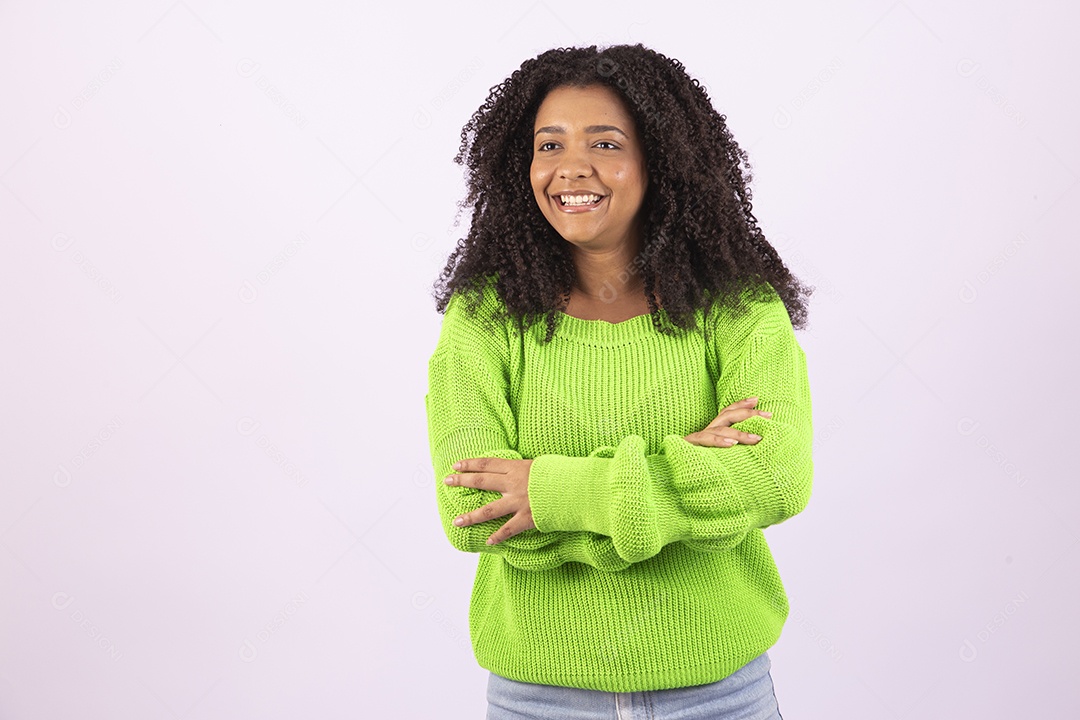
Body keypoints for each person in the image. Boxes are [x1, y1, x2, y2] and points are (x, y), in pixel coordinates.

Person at [425, 43, 814, 720]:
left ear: (660, 159)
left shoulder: (740, 309)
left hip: (721, 695)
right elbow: (470, 514)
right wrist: (685, 476)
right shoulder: (483, 318)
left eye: (605, 143)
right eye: (549, 146)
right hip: (536, 700)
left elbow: (775, 474)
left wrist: (546, 490)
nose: (572, 168)